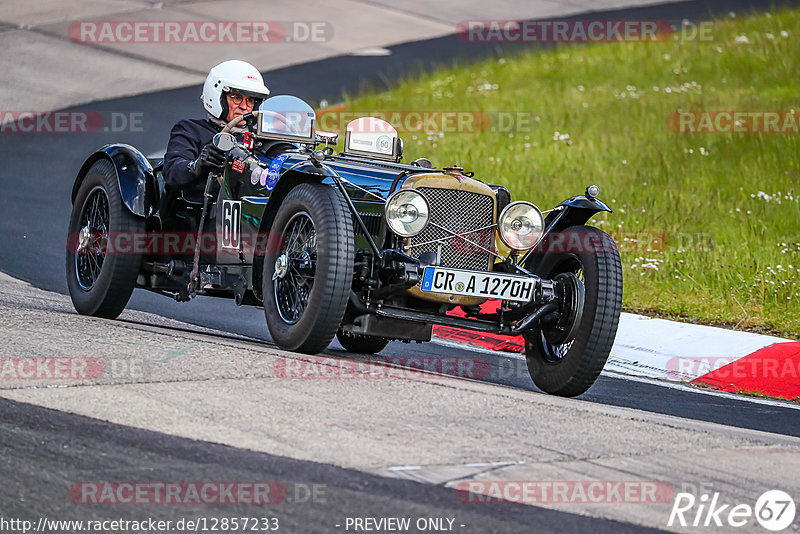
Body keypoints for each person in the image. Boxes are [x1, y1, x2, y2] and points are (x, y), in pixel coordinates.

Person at [163, 60, 270, 191]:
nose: (244, 106)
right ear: (218, 97)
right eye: (236, 98)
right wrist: (198, 166)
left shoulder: (262, 139)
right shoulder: (191, 130)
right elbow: (172, 171)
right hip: (203, 207)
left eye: (250, 100)